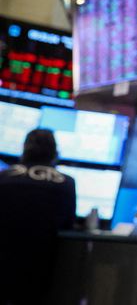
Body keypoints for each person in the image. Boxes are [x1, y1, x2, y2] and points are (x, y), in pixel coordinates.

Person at [0, 128, 76, 305]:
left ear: (24, 150)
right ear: (55, 153)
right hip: (42, 272)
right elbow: (68, 224)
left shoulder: (4, 177)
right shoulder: (66, 183)